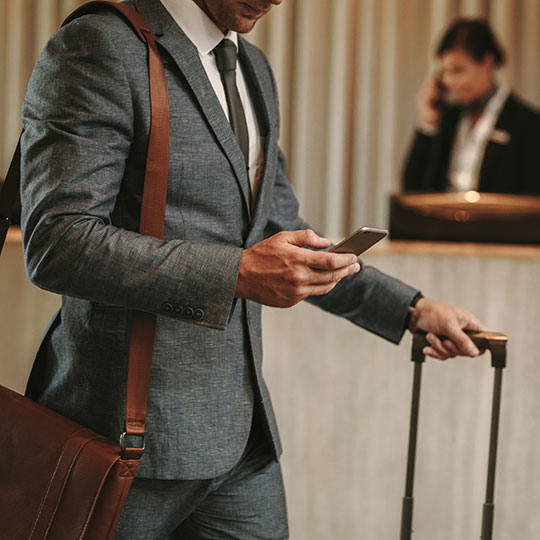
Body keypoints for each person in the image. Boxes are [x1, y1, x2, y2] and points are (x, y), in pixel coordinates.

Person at [20, 1, 487, 538]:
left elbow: (276, 230)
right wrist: (236, 273)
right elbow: (58, 240)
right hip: (129, 438)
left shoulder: (255, 69)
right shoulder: (100, 44)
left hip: (243, 439)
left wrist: (412, 310)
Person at [402, 18, 540, 194]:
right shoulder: (448, 118)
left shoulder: (527, 124)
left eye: (457, 71)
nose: (449, 81)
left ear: (487, 63)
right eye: (444, 72)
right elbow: (412, 188)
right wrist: (428, 124)